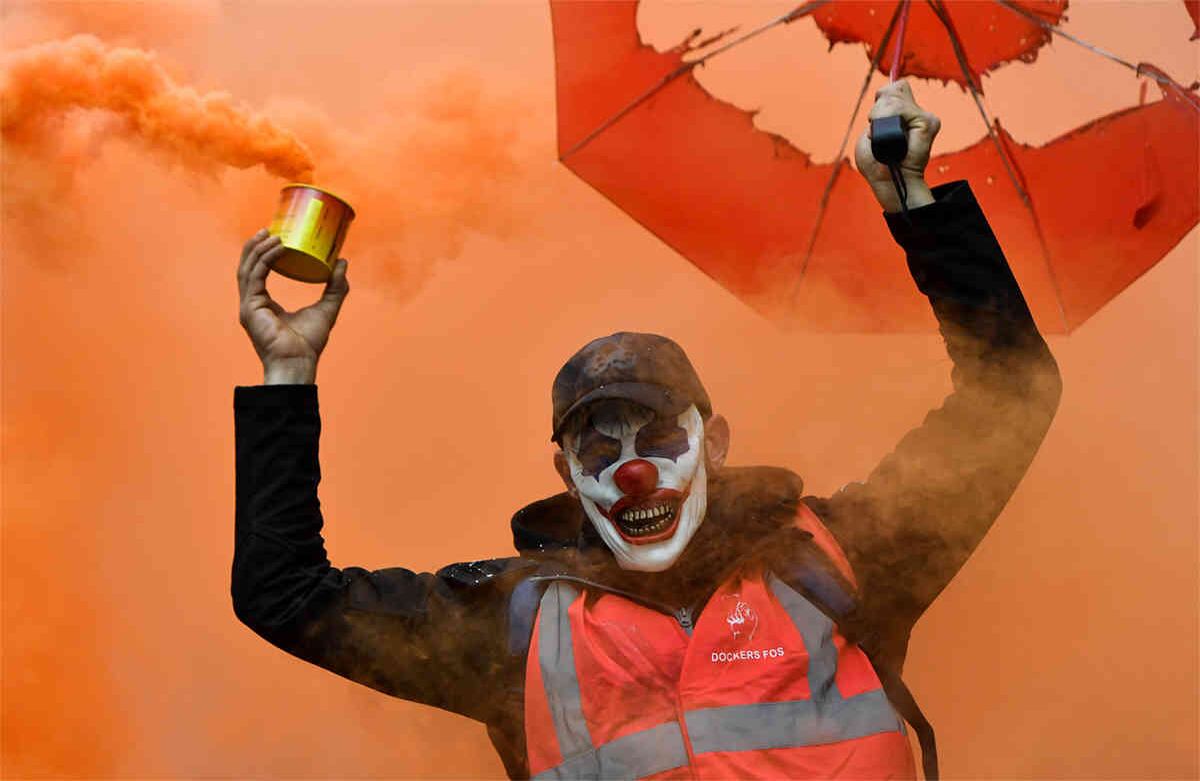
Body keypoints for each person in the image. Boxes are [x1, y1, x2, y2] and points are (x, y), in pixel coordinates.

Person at [232, 81, 1061, 780]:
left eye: (658, 433)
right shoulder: (514, 627)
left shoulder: (838, 560)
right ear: (566, 475)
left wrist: (918, 207)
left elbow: (1010, 393)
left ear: (717, 441)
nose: (633, 470)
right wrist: (286, 375)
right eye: (600, 446)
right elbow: (286, 596)